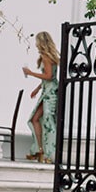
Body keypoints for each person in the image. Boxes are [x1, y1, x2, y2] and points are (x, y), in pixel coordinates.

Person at [22, 30, 59, 162]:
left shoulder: (46, 57)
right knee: (36, 119)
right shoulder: (49, 56)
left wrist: (31, 73)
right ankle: (40, 150)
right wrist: (37, 89)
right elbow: (50, 77)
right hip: (48, 91)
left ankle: (47, 153)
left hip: (50, 93)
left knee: (48, 122)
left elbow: (48, 76)